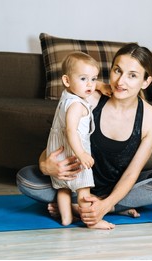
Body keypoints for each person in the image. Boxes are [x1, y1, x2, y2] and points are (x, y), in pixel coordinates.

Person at [16, 43, 152, 230]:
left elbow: (132, 173)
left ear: (146, 81)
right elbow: (57, 144)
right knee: (26, 178)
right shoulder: (88, 99)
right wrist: (46, 166)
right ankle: (97, 207)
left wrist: (106, 204)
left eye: (132, 75)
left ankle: (91, 208)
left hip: (118, 190)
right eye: (117, 71)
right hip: (76, 186)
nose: (121, 82)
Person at [46, 51, 111, 229]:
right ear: (67, 80)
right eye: (84, 79)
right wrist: (81, 153)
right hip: (74, 153)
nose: (90, 84)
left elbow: (87, 83)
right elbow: (70, 130)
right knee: (84, 189)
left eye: (94, 78)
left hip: (58, 154)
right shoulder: (76, 105)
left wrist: (99, 85)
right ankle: (91, 221)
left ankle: (66, 218)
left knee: (63, 188)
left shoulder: (67, 95)